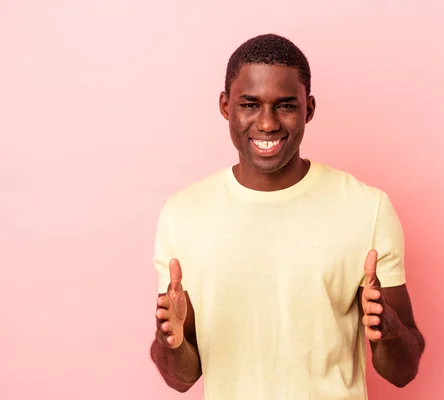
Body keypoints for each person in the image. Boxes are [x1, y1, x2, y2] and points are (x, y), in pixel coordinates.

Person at [150, 33, 425, 400]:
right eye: (250, 104)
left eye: (285, 106)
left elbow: (402, 372)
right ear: (225, 106)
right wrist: (170, 339)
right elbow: (182, 378)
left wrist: (390, 331)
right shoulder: (183, 215)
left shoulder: (366, 208)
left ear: (308, 108)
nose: (267, 124)